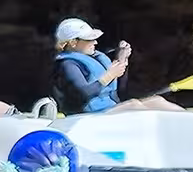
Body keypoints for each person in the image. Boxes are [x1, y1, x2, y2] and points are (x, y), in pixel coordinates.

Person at [49, 18, 182, 114]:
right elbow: (82, 95)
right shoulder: (67, 65)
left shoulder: (94, 57)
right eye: (89, 39)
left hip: (107, 109)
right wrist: (109, 75)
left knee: (157, 101)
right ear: (73, 42)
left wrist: (121, 60)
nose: (95, 42)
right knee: (134, 105)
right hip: (85, 117)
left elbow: (119, 89)